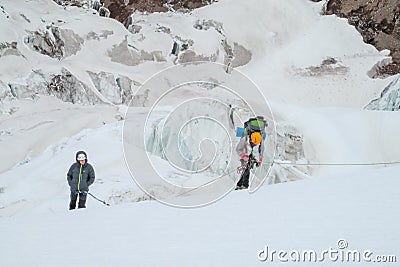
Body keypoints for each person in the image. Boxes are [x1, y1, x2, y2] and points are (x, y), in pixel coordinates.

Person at [235, 117, 265, 190]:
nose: (254, 144)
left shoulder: (260, 138)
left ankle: (240, 184)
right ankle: (245, 185)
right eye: (253, 143)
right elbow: (238, 149)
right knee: (246, 166)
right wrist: (243, 156)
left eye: (256, 144)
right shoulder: (245, 138)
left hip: (250, 151)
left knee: (247, 167)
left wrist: (260, 159)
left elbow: (261, 149)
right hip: (245, 151)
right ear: (251, 139)